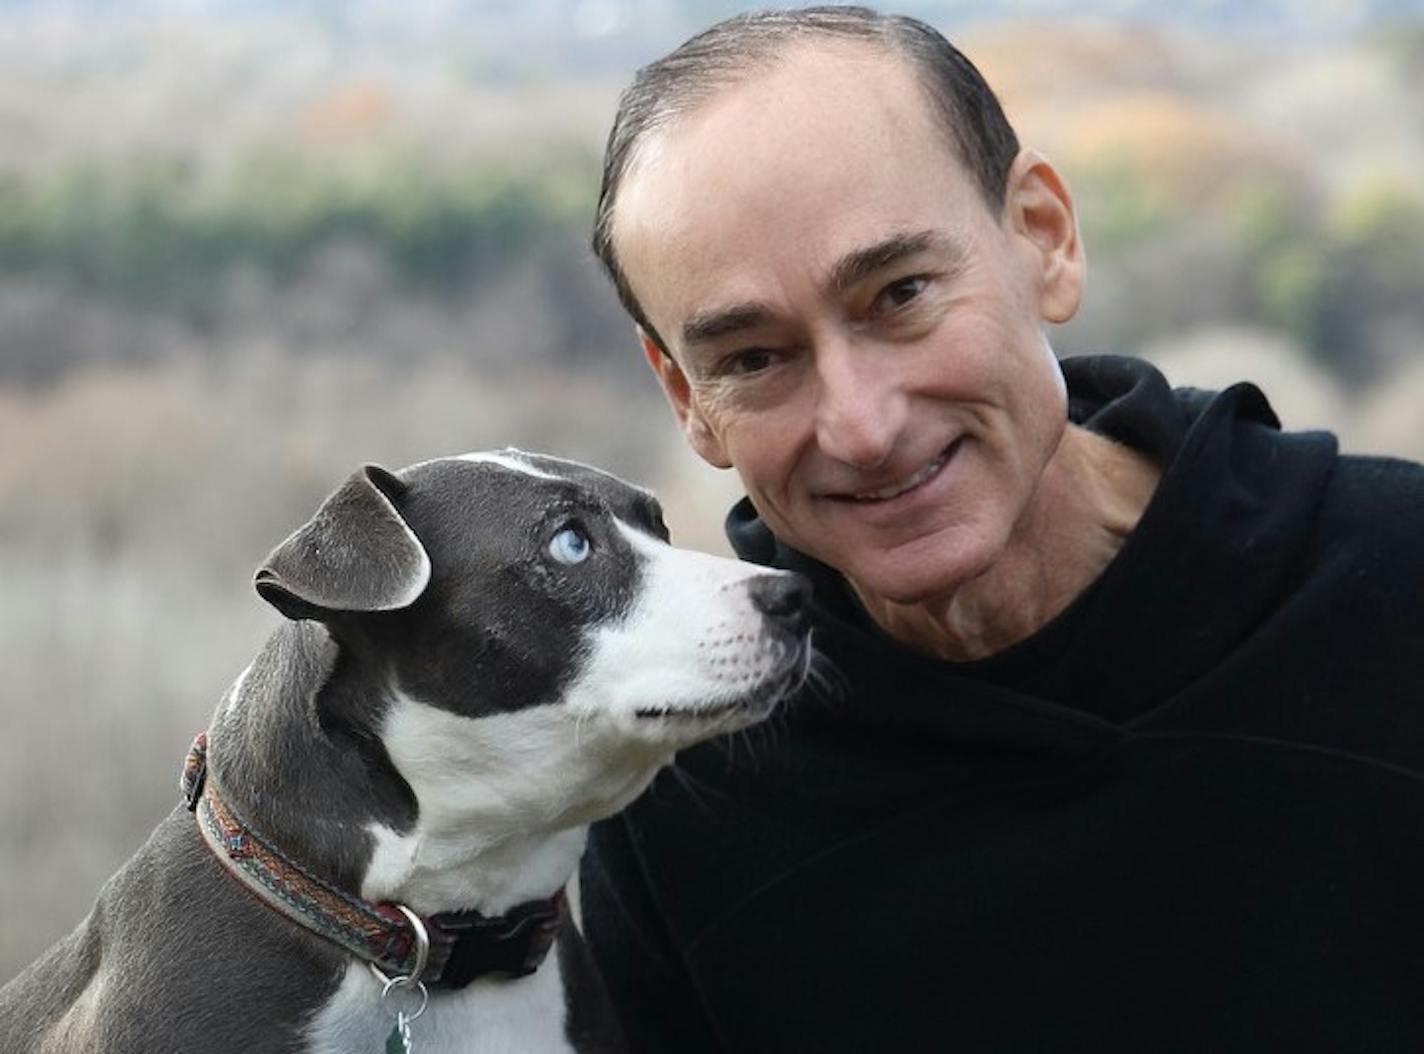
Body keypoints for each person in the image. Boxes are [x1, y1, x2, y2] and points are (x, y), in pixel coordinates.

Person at [580, 7, 1424, 1051]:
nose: (862, 425)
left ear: (1042, 237)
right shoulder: (682, 800)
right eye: (754, 358)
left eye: (899, 294)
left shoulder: (1393, 586)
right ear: (683, 396)